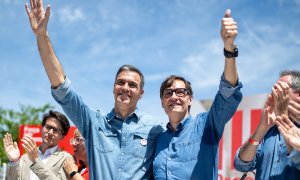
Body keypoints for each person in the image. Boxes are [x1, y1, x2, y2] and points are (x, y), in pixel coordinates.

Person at [25, 0, 164, 179]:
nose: (125, 88)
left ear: (141, 93)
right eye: (120, 82)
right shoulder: (93, 124)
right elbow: (62, 87)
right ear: (113, 88)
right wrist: (42, 36)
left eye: (132, 85)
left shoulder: (155, 128)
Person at [153, 9, 243, 179]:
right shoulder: (158, 140)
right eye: (168, 93)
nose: (174, 96)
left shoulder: (206, 126)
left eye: (180, 92)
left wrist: (229, 49)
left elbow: (228, 91)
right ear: (162, 102)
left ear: (190, 99)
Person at [234, 70, 300, 179]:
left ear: (298, 94)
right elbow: (241, 164)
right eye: (273, 90)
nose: (273, 94)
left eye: (279, 90)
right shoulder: (269, 130)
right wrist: (262, 127)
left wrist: (283, 118)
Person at [3, 110, 71, 180]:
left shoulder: (66, 159)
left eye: (55, 130)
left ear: (62, 136)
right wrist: (14, 162)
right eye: (48, 127)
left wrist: (36, 161)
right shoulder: (25, 157)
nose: (50, 132)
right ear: (42, 127)